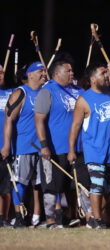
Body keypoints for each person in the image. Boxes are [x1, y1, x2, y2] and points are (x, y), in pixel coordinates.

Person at [68, 63, 110, 229]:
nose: (107, 75)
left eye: (107, 72)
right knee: (97, 186)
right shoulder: (84, 100)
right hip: (95, 150)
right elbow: (75, 127)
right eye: (103, 73)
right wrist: (71, 150)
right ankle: (97, 219)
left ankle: (104, 220)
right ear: (92, 79)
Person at [34, 59, 86, 228]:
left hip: (77, 148)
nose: (72, 73)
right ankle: (50, 220)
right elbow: (39, 120)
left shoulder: (78, 91)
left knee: (74, 185)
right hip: (55, 148)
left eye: (72, 71)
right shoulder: (47, 91)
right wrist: (44, 145)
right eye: (68, 71)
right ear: (56, 73)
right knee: (51, 186)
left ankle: (71, 217)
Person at [0, 62, 46, 228]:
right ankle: (19, 216)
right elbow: (8, 120)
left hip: (42, 148)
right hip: (24, 146)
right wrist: (6, 145)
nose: (44, 74)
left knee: (40, 185)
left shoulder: (46, 93)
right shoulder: (21, 92)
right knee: (20, 182)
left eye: (45, 71)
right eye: (40, 71)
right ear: (30, 74)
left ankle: (38, 217)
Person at [0, 64, 13, 228]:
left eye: (2, 72)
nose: (0, 74)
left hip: (5, 146)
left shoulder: (11, 94)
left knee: (5, 186)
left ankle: (3, 217)